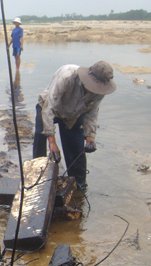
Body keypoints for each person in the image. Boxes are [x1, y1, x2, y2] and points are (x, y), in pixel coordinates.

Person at [32, 61, 116, 191]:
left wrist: (90, 136)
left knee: (76, 148)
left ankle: (78, 185)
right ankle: (37, 176)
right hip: (49, 106)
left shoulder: (101, 90)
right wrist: (52, 143)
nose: (95, 89)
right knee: (40, 138)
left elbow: (92, 112)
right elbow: (49, 108)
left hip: (74, 113)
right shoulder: (67, 77)